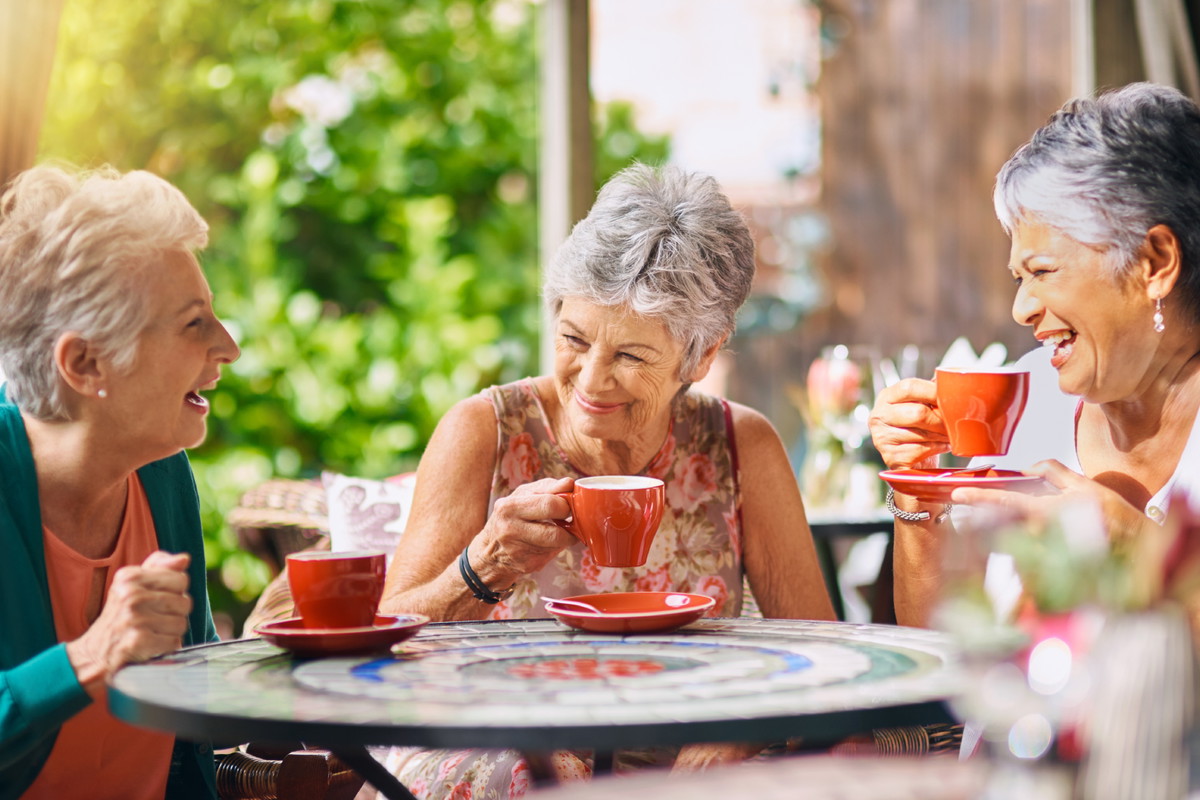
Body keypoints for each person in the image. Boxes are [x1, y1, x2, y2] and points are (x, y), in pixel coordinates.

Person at [374, 162, 835, 797]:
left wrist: (739, 730)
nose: (590, 381)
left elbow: (822, 652)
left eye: (630, 356)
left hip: (677, 769)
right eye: (573, 339)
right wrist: (484, 564)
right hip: (490, 749)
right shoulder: (483, 431)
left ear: (700, 356)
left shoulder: (742, 445)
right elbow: (377, 648)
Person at [868, 82, 1200, 627]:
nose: (1022, 308)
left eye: (1043, 272)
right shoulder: (1029, 396)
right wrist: (919, 491)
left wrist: (1138, 548)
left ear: (1155, 262)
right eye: (1019, 278)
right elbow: (943, 644)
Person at [0, 165, 240, 799]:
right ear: (85, 362)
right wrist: (90, 655)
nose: (228, 347)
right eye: (194, 323)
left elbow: (194, 717)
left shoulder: (161, 471)